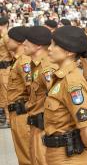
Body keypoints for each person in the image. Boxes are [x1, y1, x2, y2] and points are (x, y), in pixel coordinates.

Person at [42, 25, 87, 165]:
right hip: (58, 154)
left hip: (68, 158)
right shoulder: (61, 78)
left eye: (55, 44)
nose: (49, 48)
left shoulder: (72, 82)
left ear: (68, 51)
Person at [23, 26, 58, 165]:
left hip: (44, 127)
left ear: (38, 46)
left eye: (28, 41)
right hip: (35, 125)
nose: (24, 43)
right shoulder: (35, 65)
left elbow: (58, 99)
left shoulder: (47, 68)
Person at [6, 26, 31, 165]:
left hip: (23, 114)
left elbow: (32, 89)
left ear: (20, 42)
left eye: (10, 39)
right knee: (23, 156)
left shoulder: (24, 62)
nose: (7, 41)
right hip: (17, 113)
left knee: (27, 156)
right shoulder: (18, 60)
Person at [0, 16, 13, 128]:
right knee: (2, 95)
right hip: (1, 70)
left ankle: (9, 119)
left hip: (6, 69)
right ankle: (5, 116)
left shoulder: (6, 37)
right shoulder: (2, 36)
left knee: (6, 94)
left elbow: (13, 53)